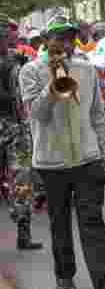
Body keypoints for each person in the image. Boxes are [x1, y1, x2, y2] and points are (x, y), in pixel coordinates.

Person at [20, 17, 105, 289]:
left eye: (69, 38)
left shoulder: (86, 69)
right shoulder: (30, 71)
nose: (65, 44)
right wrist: (54, 83)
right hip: (51, 162)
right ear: (46, 41)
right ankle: (65, 275)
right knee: (60, 222)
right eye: (59, 38)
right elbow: (38, 114)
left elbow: (97, 116)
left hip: (87, 159)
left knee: (92, 220)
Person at [0, 17, 39, 251]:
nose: (5, 40)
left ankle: (24, 231)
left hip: (16, 127)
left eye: (6, 36)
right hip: (10, 124)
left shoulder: (18, 59)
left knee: (23, 177)